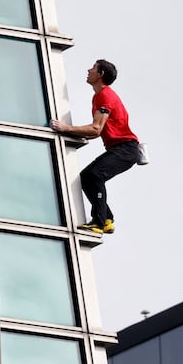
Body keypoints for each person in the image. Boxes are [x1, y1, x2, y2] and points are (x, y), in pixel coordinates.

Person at [50, 59, 142, 235]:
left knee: (93, 175)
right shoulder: (99, 96)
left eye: (93, 68)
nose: (88, 70)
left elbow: (95, 129)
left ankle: (99, 222)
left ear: (101, 74)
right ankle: (106, 219)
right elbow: (96, 131)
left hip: (125, 149)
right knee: (88, 177)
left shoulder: (106, 95)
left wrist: (66, 128)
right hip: (121, 149)